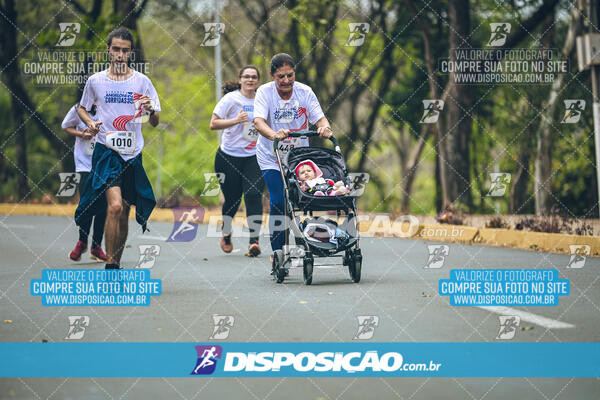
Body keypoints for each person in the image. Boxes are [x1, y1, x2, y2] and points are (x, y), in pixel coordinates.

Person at [75, 27, 160, 270]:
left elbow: (155, 121)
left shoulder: (142, 82)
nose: (120, 54)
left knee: (123, 210)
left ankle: (116, 261)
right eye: (116, 49)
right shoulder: (96, 81)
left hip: (132, 153)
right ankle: (111, 265)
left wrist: (150, 110)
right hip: (106, 151)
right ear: (108, 50)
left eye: (125, 50)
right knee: (113, 205)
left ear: (131, 53)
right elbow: (82, 107)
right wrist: (90, 122)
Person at [253, 53, 333, 259]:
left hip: (298, 158)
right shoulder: (264, 92)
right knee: (278, 201)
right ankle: (278, 252)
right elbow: (259, 122)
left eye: (290, 75)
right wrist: (274, 135)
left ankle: (304, 241)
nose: (286, 81)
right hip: (272, 155)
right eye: (281, 76)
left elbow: (320, 118)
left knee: (299, 201)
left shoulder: (305, 92)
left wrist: (324, 128)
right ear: (272, 75)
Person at [210, 66, 265, 257]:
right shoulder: (231, 99)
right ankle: (226, 233)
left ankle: (254, 240)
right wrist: (235, 120)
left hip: (254, 157)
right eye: (247, 77)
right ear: (240, 80)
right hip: (229, 157)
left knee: (253, 194)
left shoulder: (262, 98)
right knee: (232, 199)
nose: (250, 80)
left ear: (258, 81)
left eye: (254, 77)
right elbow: (213, 124)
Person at [62, 103, 107, 262]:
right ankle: (82, 242)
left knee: (103, 205)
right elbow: (65, 126)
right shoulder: (77, 109)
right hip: (84, 164)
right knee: (86, 203)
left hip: (103, 163)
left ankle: (96, 246)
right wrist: (81, 134)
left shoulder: (107, 106)